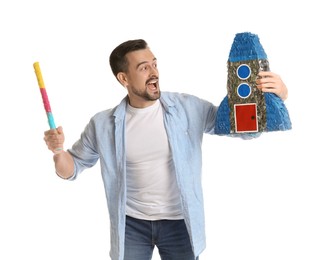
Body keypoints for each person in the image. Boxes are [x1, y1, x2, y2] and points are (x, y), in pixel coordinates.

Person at [44, 39, 288, 260]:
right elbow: (71, 169)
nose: (154, 73)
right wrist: (58, 151)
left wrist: (278, 96)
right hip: (131, 225)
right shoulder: (102, 124)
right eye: (143, 68)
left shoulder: (186, 108)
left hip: (180, 223)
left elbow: (239, 127)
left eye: (154, 64)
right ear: (124, 78)